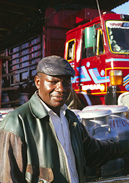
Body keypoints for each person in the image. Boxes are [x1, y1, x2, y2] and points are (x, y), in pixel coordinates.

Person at [0, 55, 129, 183]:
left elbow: (94, 153)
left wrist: (124, 145)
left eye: (66, 82)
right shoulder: (16, 123)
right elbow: (8, 178)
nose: (61, 88)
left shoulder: (70, 119)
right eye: (53, 82)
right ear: (38, 82)